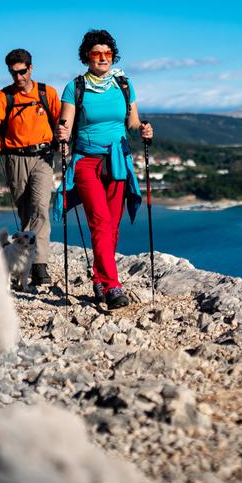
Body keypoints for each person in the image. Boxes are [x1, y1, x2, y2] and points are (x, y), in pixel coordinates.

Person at [55, 29, 153, 309]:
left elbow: (132, 124)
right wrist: (61, 139)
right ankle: (112, 287)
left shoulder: (123, 84)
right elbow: (66, 126)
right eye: (96, 53)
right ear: (86, 56)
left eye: (107, 53)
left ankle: (99, 278)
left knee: (112, 228)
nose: (102, 58)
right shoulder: (75, 88)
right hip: (87, 161)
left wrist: (143, 130)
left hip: (118, 161)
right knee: (99, 222)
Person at [0, 48, 61, 287]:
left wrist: (64, 139)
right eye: (13, 73)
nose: (18, 78)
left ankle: (39, 265)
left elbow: (59, 119)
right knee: (25, 210)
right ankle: (21, 264)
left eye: (22, 72)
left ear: (31, 68)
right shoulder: (3, 96)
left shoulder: (47, 93)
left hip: (43, 157)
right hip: (15, 158)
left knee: (40, 208)